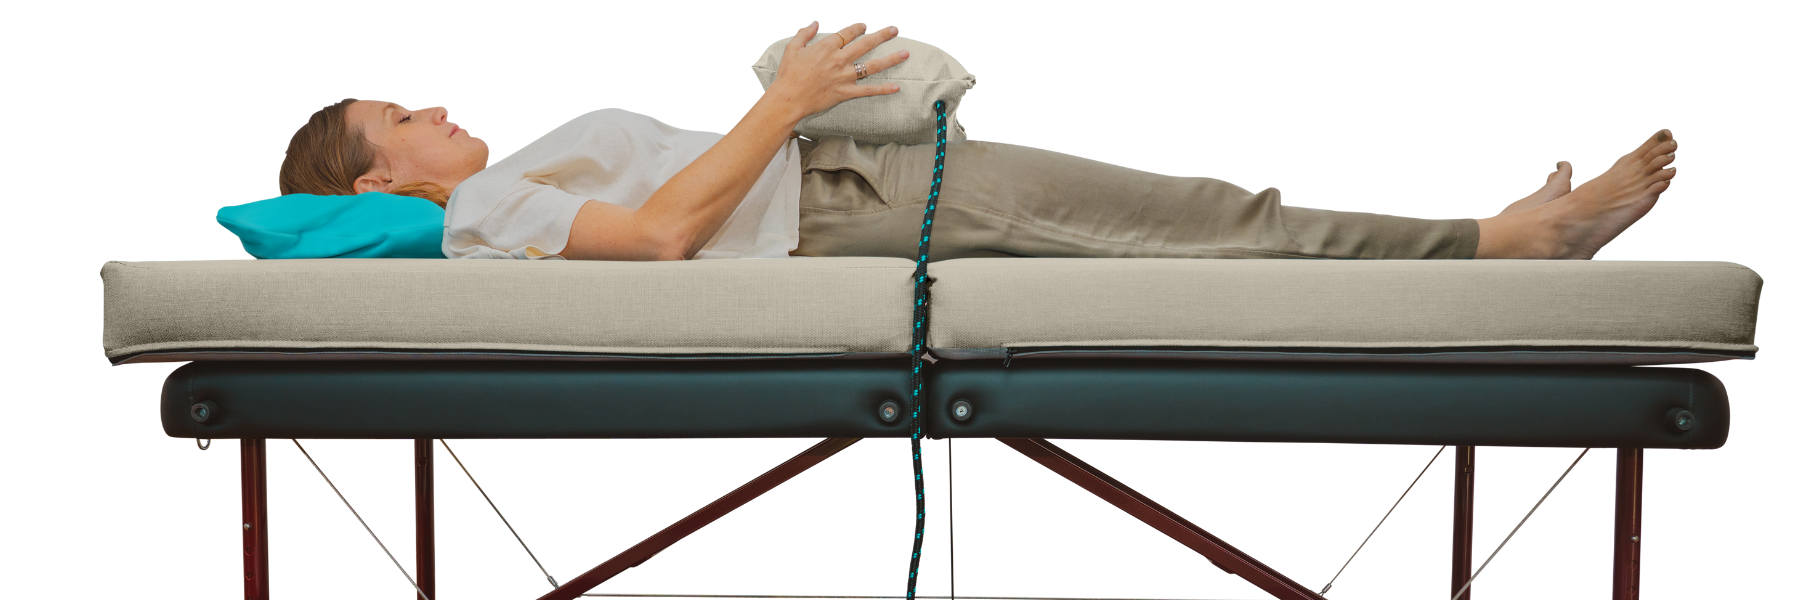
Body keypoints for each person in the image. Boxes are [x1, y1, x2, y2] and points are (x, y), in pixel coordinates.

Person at [277, 22, 1676, 262]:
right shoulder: (479, 217)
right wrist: (791, 102)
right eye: (402, 119)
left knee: (1186, 211)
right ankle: (1498, 244)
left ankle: (1487, 236)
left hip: (843, 179)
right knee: (1195, 221)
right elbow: (658, 238)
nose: (435, 107)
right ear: (378, 181)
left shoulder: (502, 188)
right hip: (840, 201)